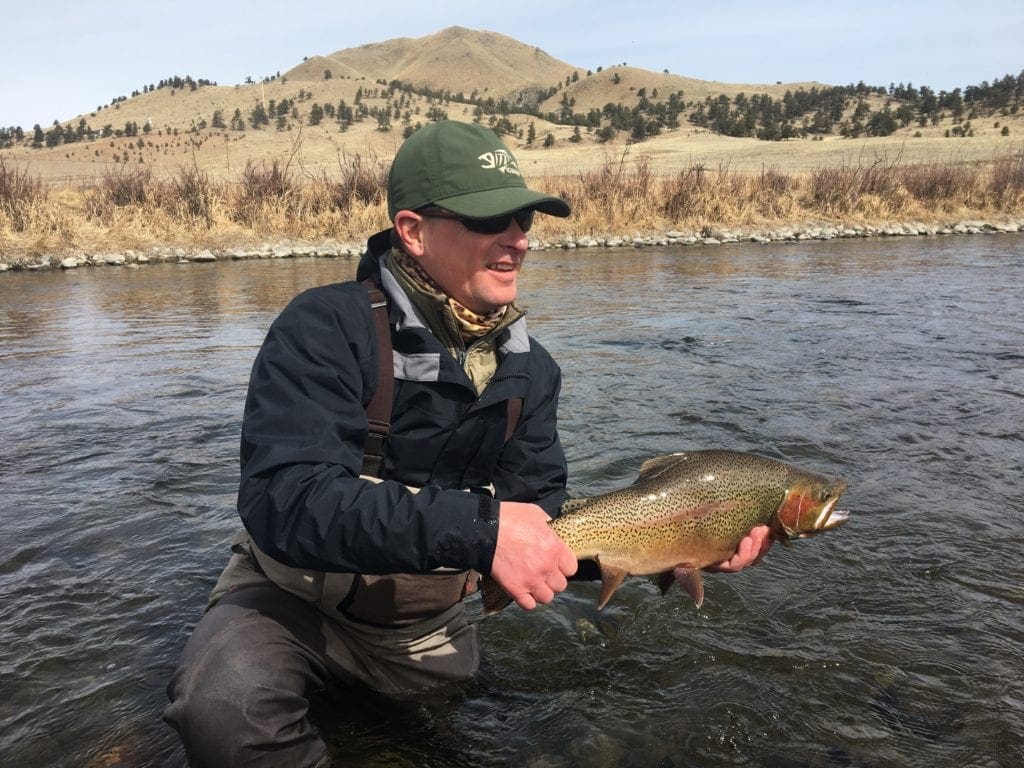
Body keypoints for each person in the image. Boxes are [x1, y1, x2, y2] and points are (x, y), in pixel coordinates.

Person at [163, 120, 772, 767]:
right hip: (289, 604)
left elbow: (544, 528)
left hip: (426, 633)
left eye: (524, 220)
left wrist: (678, 546)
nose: (518, 240)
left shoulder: (531, 371)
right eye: (491, 219)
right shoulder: (323, 329)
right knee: (222, 707)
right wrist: (482, 532)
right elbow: (284, 500)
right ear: (413, 231)